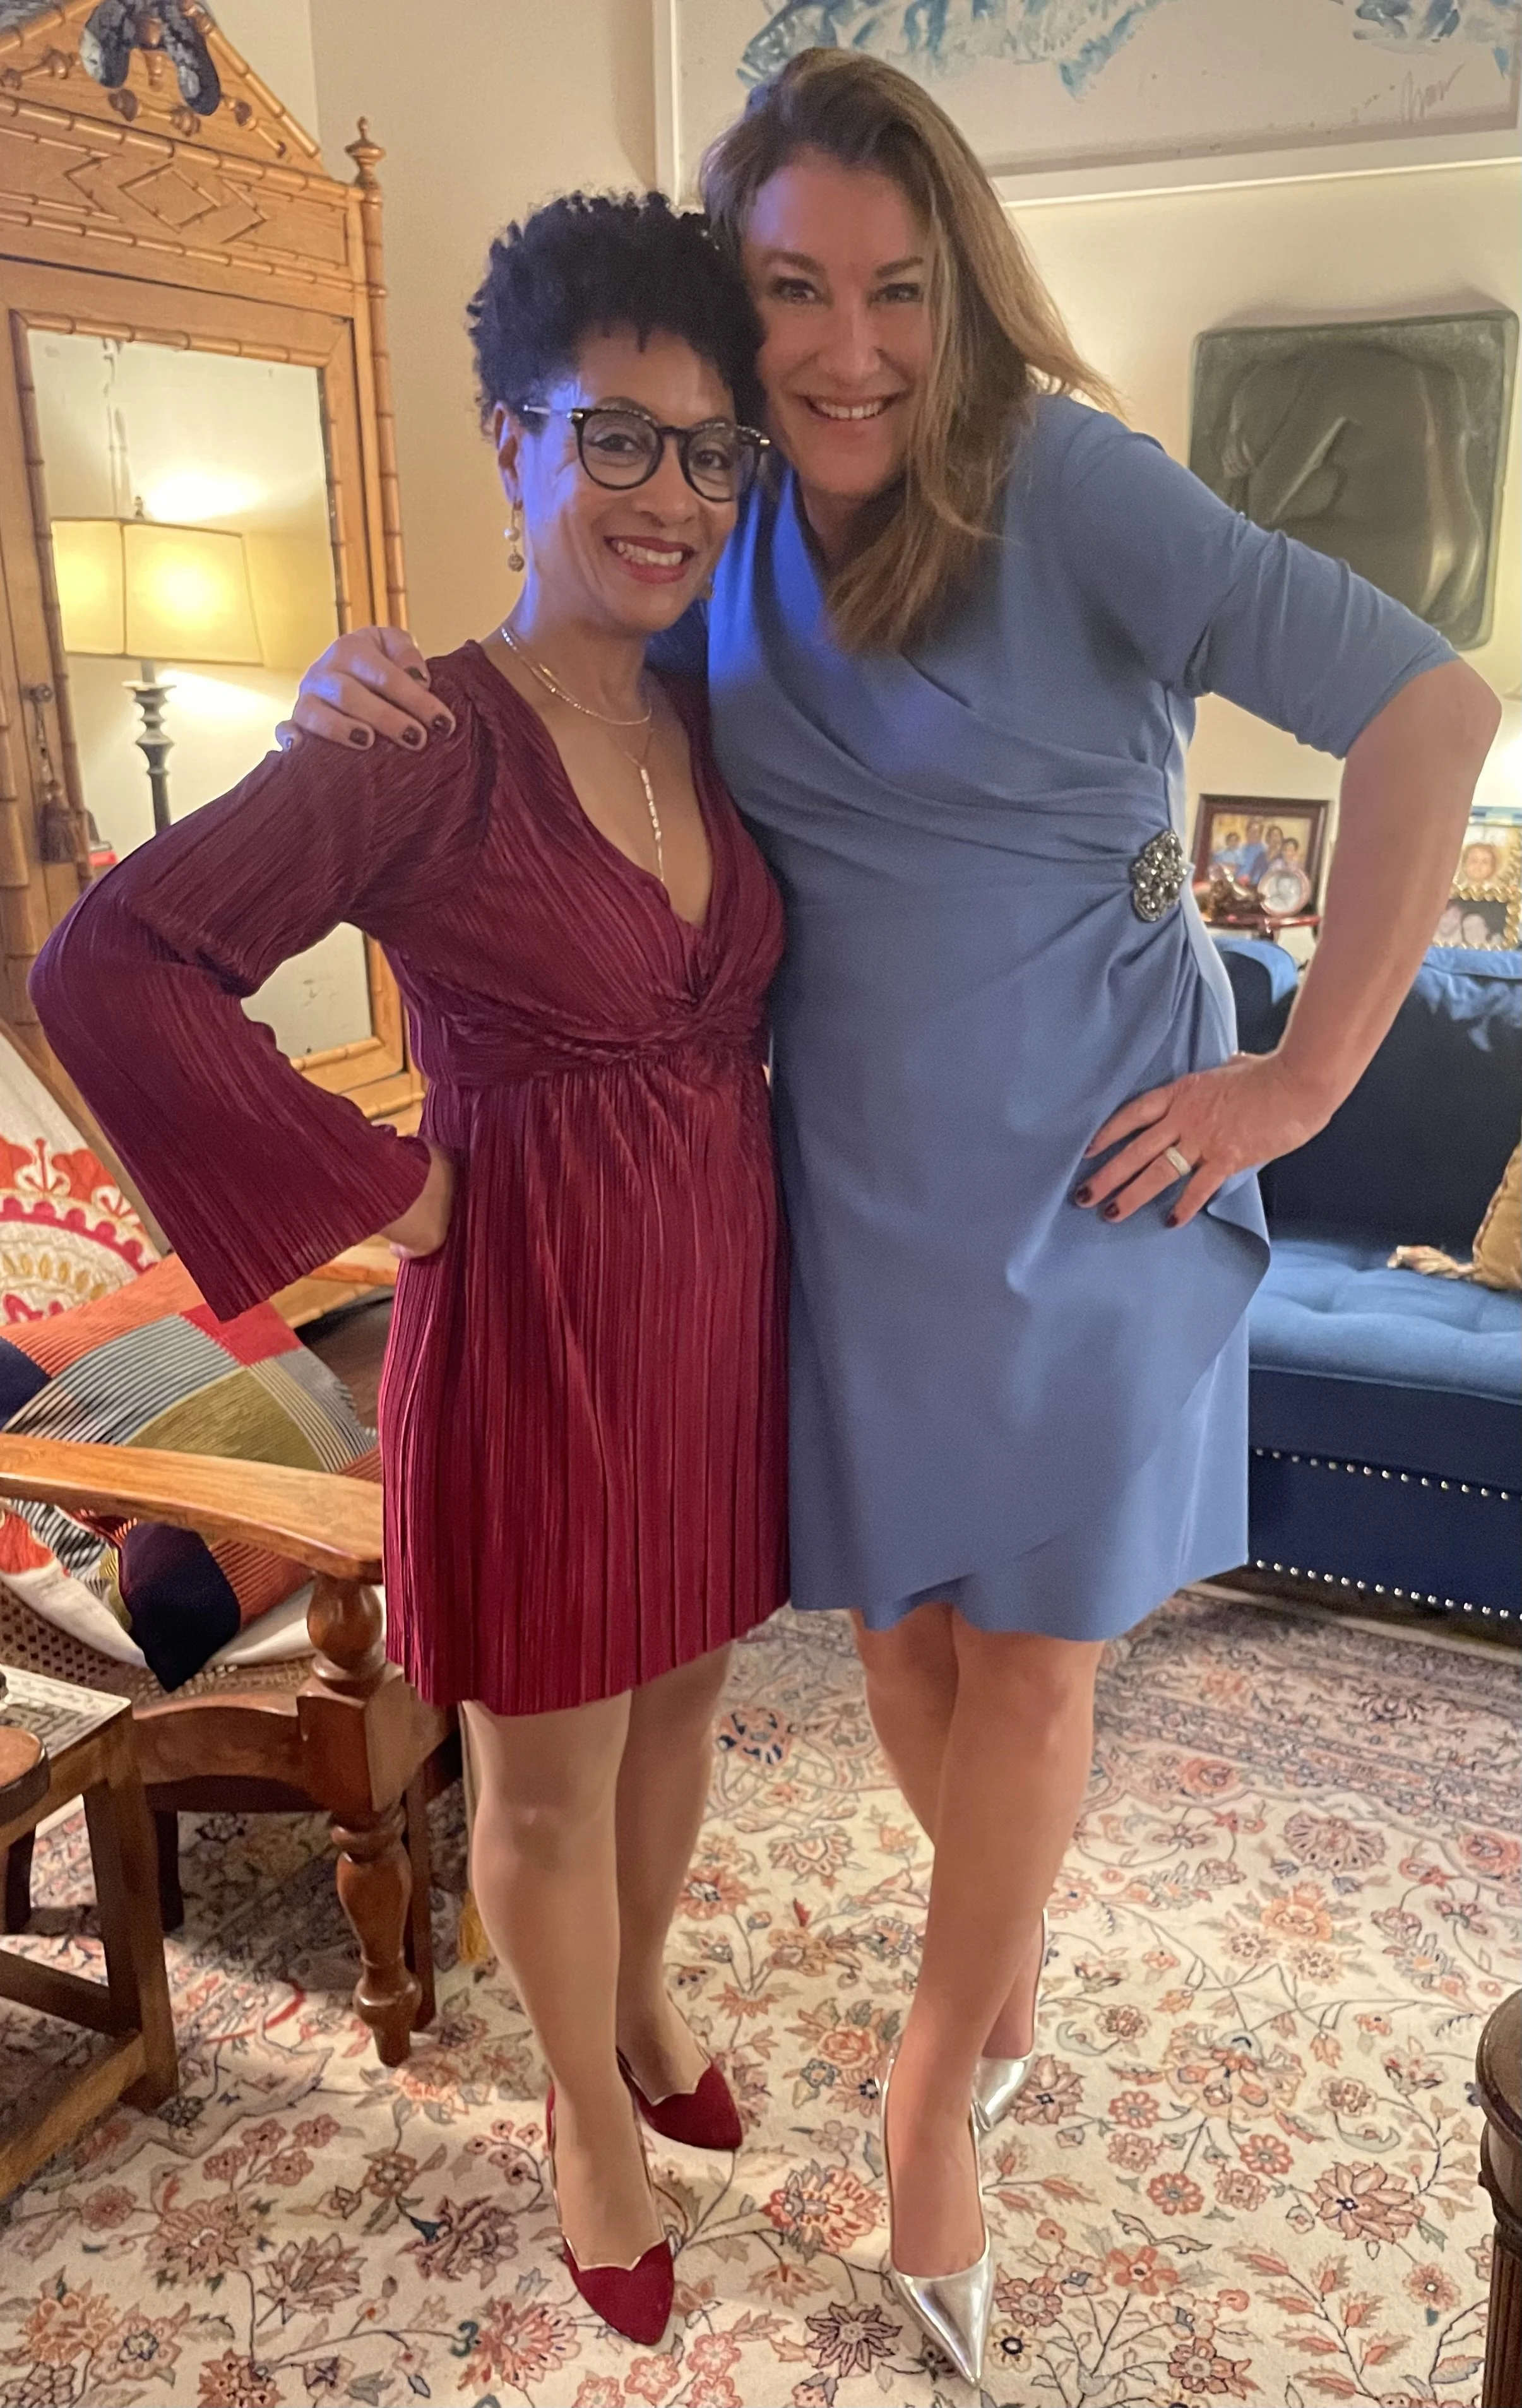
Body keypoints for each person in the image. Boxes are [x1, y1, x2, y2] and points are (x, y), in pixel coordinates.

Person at [281, 50, 1499, 2385]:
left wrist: (1307, 1075)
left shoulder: (1075, 483)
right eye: (793, 295)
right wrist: (380, 678)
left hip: (1103, 1165)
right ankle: (998, 1965)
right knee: (911, 1644)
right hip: (846, 1180)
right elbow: (575, 691)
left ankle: (938, 2109)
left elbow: (1429, 711)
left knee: (1035, 1648)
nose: (847, 348)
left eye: (899, 292)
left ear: (964, 293)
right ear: (735, 320)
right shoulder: (727, 517)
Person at [31, 195, 788, 2349]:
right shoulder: (414, 738)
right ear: (508, 442)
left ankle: (641, 1999)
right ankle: (583, 2111)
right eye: (616, 437)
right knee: (541, 1769)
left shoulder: (720, 715)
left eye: (708, 449)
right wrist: (380, 1189)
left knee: (684, 1697)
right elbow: (114, 966)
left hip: (717, 1311)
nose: (668, 494)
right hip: (536, 1326)